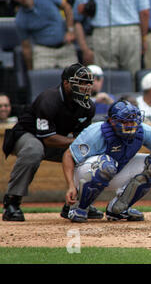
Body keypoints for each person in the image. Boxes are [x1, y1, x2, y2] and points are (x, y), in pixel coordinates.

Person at [62, 99, 151, 222]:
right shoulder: (96, 131)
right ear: (112, 121)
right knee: (107, 164)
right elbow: (68, 155)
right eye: (125, 122)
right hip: (84, 175)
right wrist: (71, 186)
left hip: (114, 170)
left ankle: (118, 209)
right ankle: (79, 207)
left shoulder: (142, 130)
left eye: (133, 121)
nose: (131, 125)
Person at [2, 63, 98, 222]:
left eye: (88, 83)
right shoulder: (49, 98)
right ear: (66, 83)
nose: (86, 86)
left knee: (86, 155)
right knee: (34, 150)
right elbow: (47, 137)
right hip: (26, 135)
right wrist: (77, 143)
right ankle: (12, 203)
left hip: (56, 140)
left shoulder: (88, 107)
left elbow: (81, 139)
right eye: (81, 82)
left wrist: (83, 147)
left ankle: (77, 203)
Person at [76, 0, 149, 77]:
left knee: (105, 77)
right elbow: (144, 12)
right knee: (131, 76)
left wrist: (96, 11)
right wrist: (144, 37)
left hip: (103, 31)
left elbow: (81, 7)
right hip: (130, 32)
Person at [11, 0, 78, 71]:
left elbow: (67, 7)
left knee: (75, 79)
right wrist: (31, 72)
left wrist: (70, 31)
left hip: (65, 45)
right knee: (41, 78)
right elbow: (26, 48)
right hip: (43, 51)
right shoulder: (20, 19)